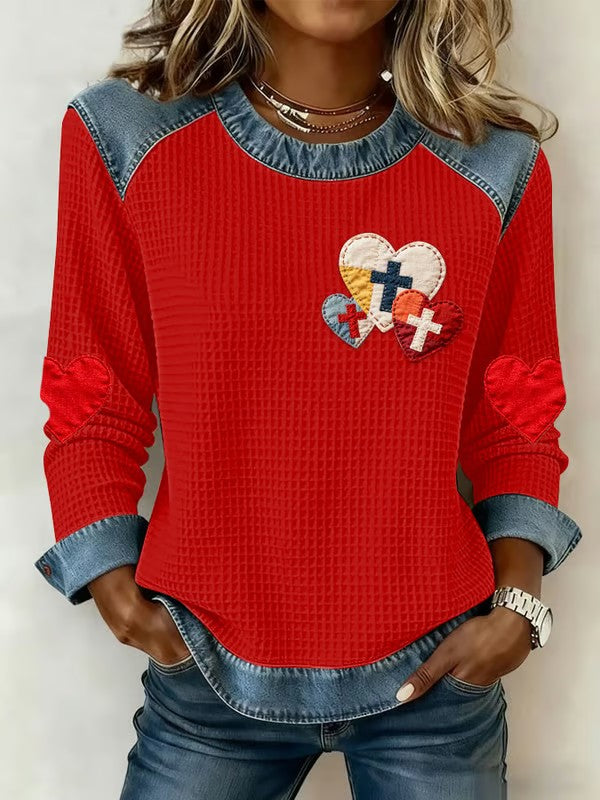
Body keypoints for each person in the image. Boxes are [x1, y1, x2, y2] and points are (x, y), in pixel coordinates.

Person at [34, 1, 582, 798]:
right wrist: (110, 578)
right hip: (205, 669)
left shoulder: (494, 164)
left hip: (439, 675)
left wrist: (516, 608)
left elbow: (516, 413)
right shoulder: (126, 138)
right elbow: (92, 386)